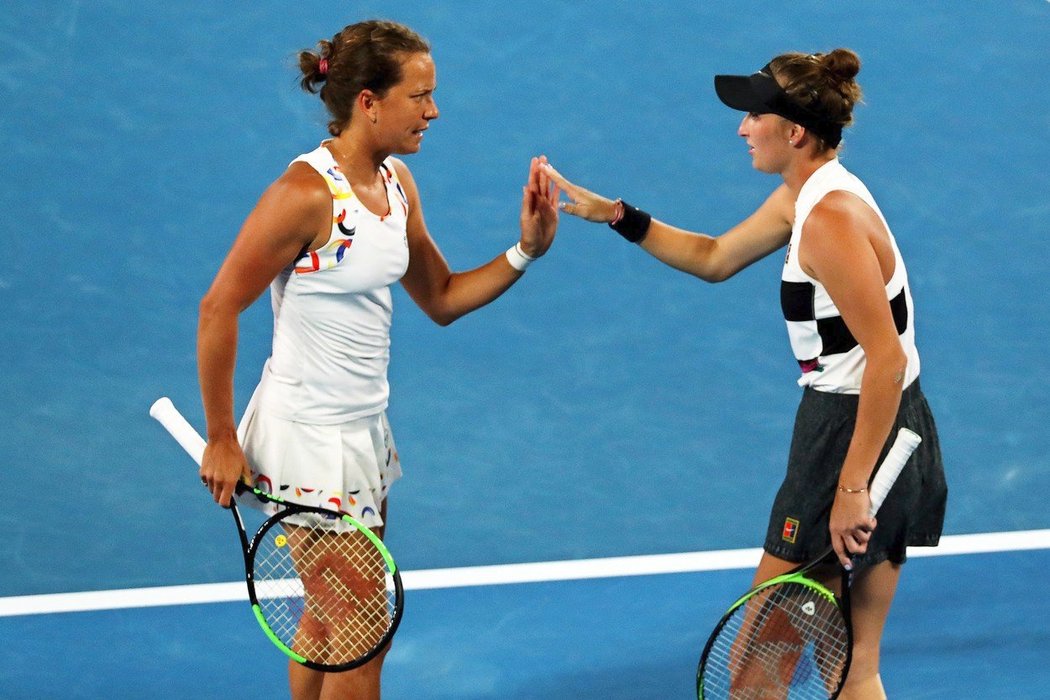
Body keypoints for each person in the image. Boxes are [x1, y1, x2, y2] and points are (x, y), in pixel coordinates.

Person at [543, 49, 946, 698]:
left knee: (760, 665)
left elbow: (887, 359)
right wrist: (616, 214)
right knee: (851, 666)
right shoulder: (811, 195)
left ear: (795, 133)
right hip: (884, 429)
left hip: (852, 436)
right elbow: (715, 257)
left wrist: (849, 492)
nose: (741, 128)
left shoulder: (828, 221)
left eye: (754, 115)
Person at [196, 19, 559, 700]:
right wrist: (220, 434)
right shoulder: (304, 195)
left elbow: (444, 297)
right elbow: (219, 307)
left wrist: (525, 252)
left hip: (362, 433)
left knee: (335, 624)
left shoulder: (397, 187)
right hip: (306, 439)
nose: (434, 110)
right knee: (364, 636)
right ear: (369, 101)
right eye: (419, 96)